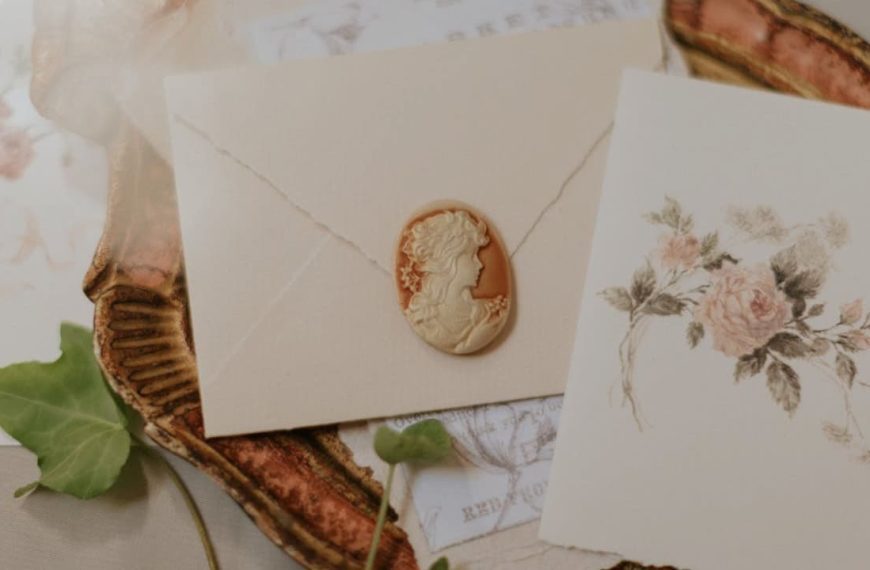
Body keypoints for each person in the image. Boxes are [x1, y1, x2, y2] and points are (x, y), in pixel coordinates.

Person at [401, 209, 509, 354]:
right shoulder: (424, 320)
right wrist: (470, 343)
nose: (480, 264)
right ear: (447, 261)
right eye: (471, 256)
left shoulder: (487, 310)